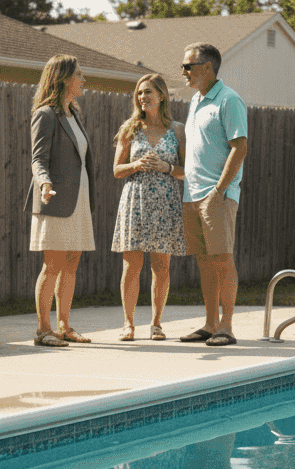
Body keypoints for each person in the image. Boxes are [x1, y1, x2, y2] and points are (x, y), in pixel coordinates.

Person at [178, 42, 248, 347]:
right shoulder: (195, 101)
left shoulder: (229, 100)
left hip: (216, 195)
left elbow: (240, 147)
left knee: (222, 260)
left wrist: (219, 190)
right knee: (204, 263)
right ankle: (210, 324)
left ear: (208, 67)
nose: (183, 71)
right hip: (192, 195)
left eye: (188, 66)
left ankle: (227, 327)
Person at [111, 74, 186, 342]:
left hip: (165, 202)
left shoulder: (177, 130)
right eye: (140, 93)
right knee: (131, 265)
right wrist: (136, 165)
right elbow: (116, 170)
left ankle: (156, 323)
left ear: (162, 96)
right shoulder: (130, 128)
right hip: (135, 199)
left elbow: (187, 171)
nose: (142, 97)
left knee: (161, 266)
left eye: (148, 92)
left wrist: (167, 167)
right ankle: (128, 323)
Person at [28, 54, 96, 348]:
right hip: (54, 199)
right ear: (65, 78)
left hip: (78, 200)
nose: (83, 80)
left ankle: (64, 326)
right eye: (79, 74)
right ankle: (44, 330)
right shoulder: (46, 114)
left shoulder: (74, 114)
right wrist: (44, 183)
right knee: (52, 265)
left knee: (71, 263)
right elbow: (38, 159)